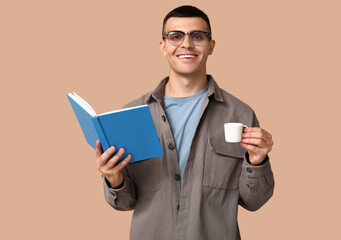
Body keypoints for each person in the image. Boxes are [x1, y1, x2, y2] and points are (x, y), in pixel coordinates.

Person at [95, 5, 274, 240]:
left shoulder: (240, 114)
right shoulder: (132, 114)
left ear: (211, 46)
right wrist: (114, 178)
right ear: (163, 46)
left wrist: (257, 160)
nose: (186, 44)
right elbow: (125, 203)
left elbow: (254, 201)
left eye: (197, 36)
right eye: (175, 36)